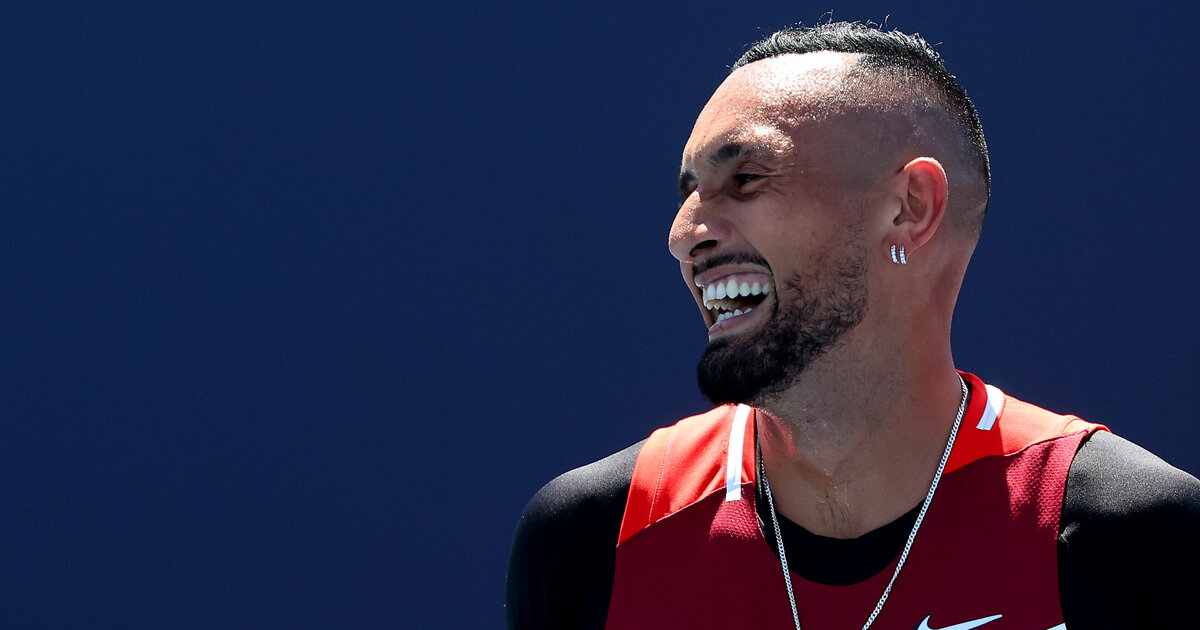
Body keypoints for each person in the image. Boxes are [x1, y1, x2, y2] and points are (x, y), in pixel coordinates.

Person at [505, 21, 1200, 630]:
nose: (683, 236)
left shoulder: (1138, 538)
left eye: (745, 179)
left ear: (909, 208)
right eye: (688, 192)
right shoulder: (591, 540)